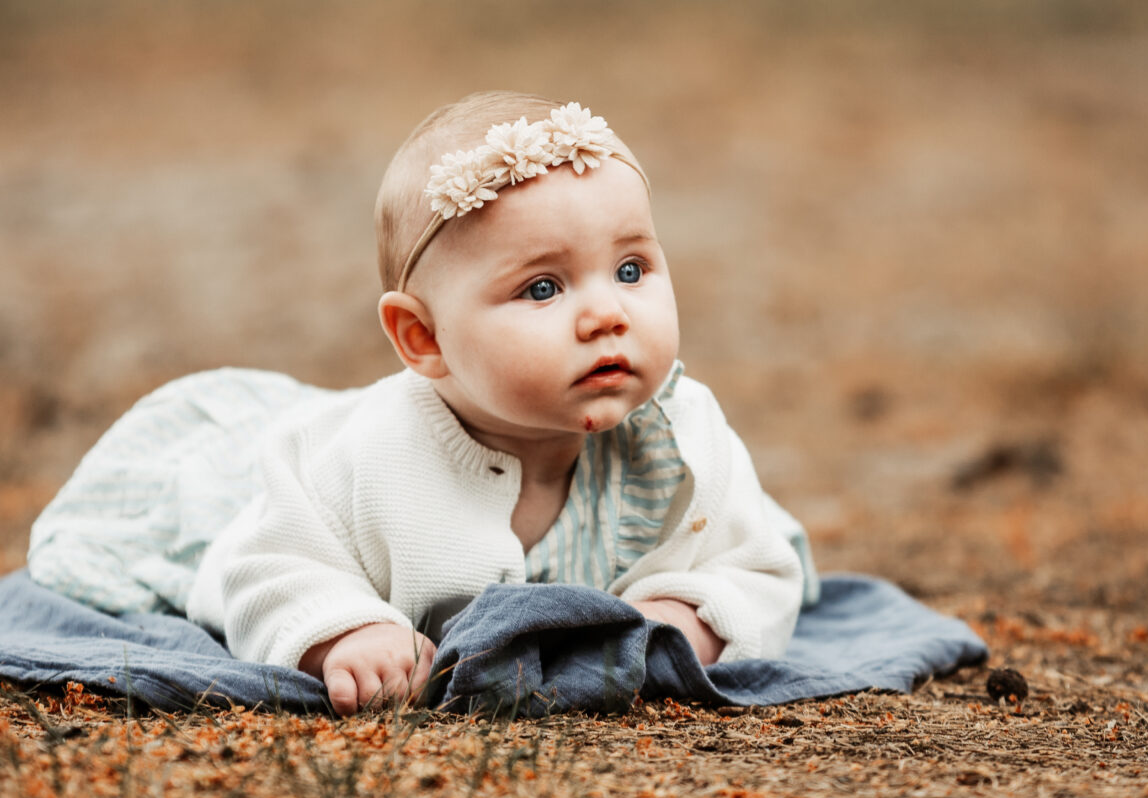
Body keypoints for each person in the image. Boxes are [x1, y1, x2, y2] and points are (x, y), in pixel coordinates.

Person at [169, 91, 814, 716]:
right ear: (423, 338)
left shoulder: (685, 439)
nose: (607, 315)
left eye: (630, 270)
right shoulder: (355, 460)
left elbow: (757, 570)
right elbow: (266, 570)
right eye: (542, 287)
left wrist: (687, 619)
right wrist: (346, 632)